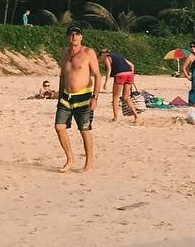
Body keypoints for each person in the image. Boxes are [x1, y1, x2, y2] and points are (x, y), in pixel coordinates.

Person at [55, 25, 100, 172]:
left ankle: (88, 162)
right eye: (71, 34)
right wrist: (59, 96)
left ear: (81, 37)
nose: (74, 36)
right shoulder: (65, 53)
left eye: (77, 34)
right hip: (66, 97)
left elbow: (97, 75)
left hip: (84, 96)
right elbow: (62, 76)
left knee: (84, 130)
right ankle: (70, 159)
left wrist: (95, 97)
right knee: (59, 127)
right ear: (67, 37)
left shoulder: (88, 53)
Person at [99, 48, 138, 123]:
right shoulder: (119, 55)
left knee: (115, 98)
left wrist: (106, 82)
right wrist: (131, 75)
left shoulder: (107, 57)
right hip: (130, 74)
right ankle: (136, 116)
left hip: (120, 76)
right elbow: (132, 65)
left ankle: (116, 118)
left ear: (102, 54)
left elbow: (109, 69)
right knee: (126, 97)